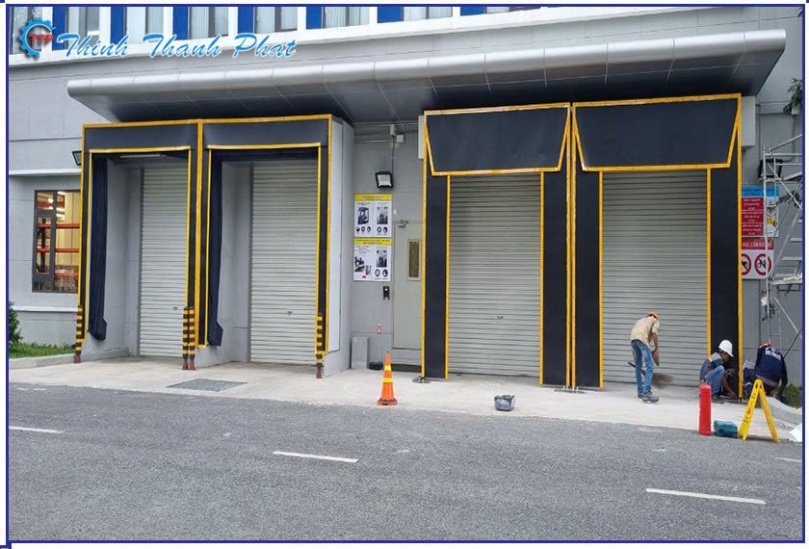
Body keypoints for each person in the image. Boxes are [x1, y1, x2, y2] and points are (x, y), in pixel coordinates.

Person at [630, 311, 660, 403]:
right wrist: (656, 348)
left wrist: (634, 355)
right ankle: (647, 393)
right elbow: (654, 332)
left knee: (638, 367)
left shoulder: (641, 320)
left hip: (633, 340)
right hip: (642, 340)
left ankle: (640, 392)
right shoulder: (654, 320)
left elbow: (635, 335)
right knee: (650, 366)